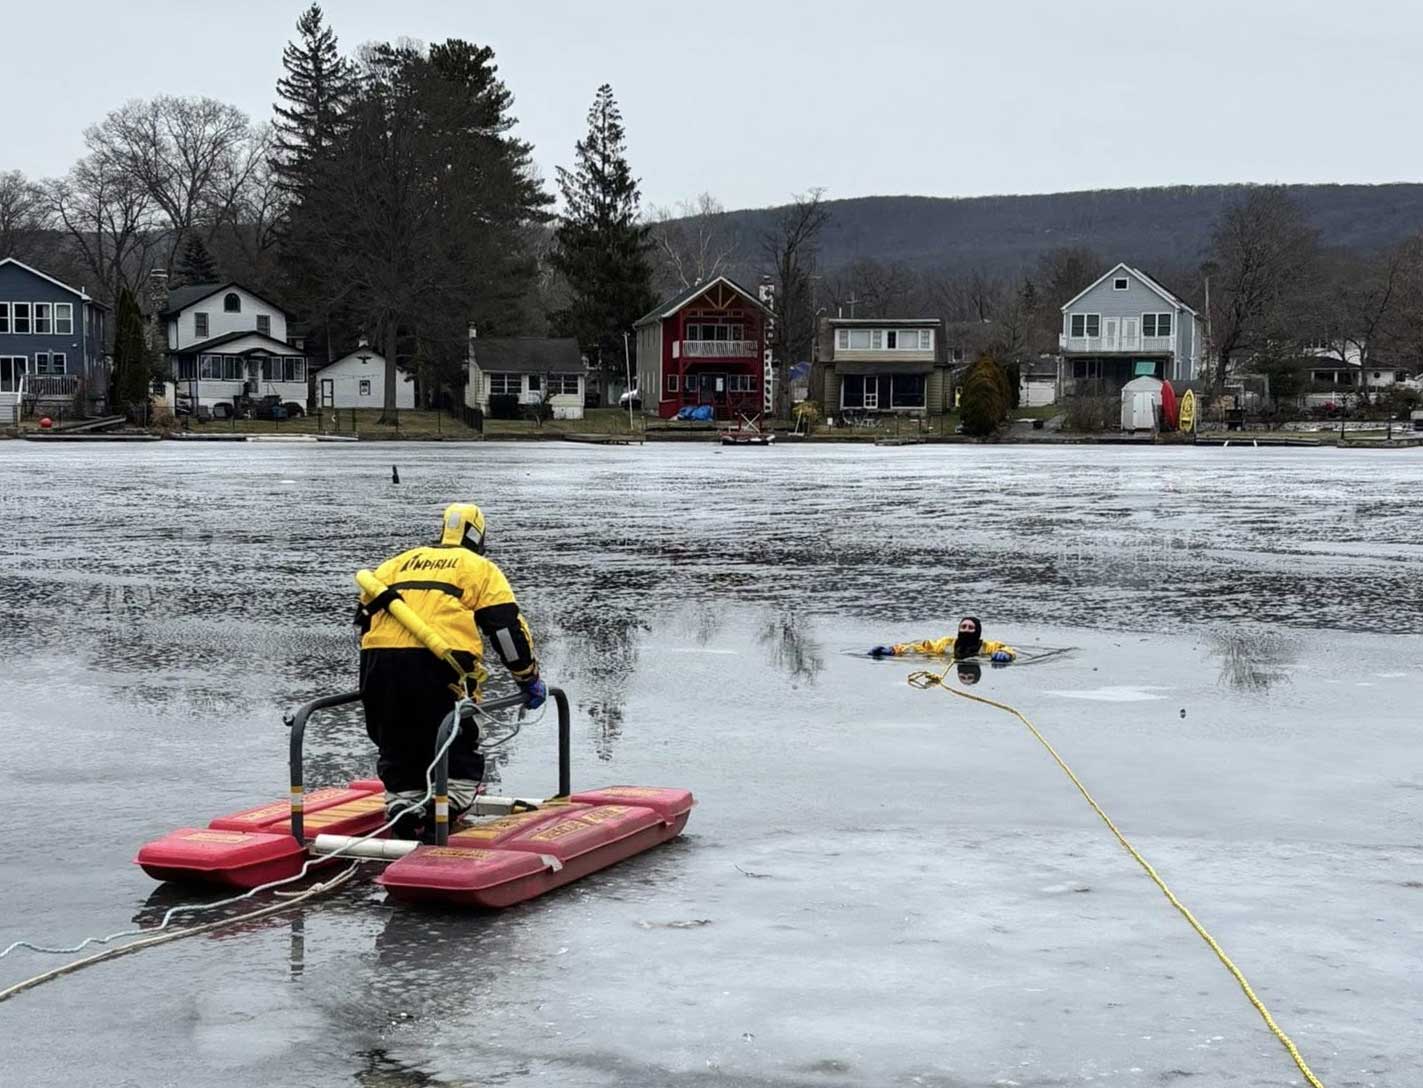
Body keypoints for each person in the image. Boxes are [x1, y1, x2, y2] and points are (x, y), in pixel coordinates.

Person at [355, 502, 545, 841]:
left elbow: (363, 617)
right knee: (456, 739)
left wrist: (385, 664)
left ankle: (403, 807)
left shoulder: (397, 563)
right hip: (440, 664)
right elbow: (506, 631)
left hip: (377, 663)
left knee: (397, 738)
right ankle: (443, 816)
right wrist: (527, 676)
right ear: (480, 536)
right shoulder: (478, 568)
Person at [869, 616, 1016, 662]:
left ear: (977, 631)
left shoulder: (988, 647)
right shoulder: (946, 643)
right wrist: (893, 650)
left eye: (971, 628)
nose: (966, 630)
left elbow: (1006, 649)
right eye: (963, 627)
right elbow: (921, 647)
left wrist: (1006, 655)